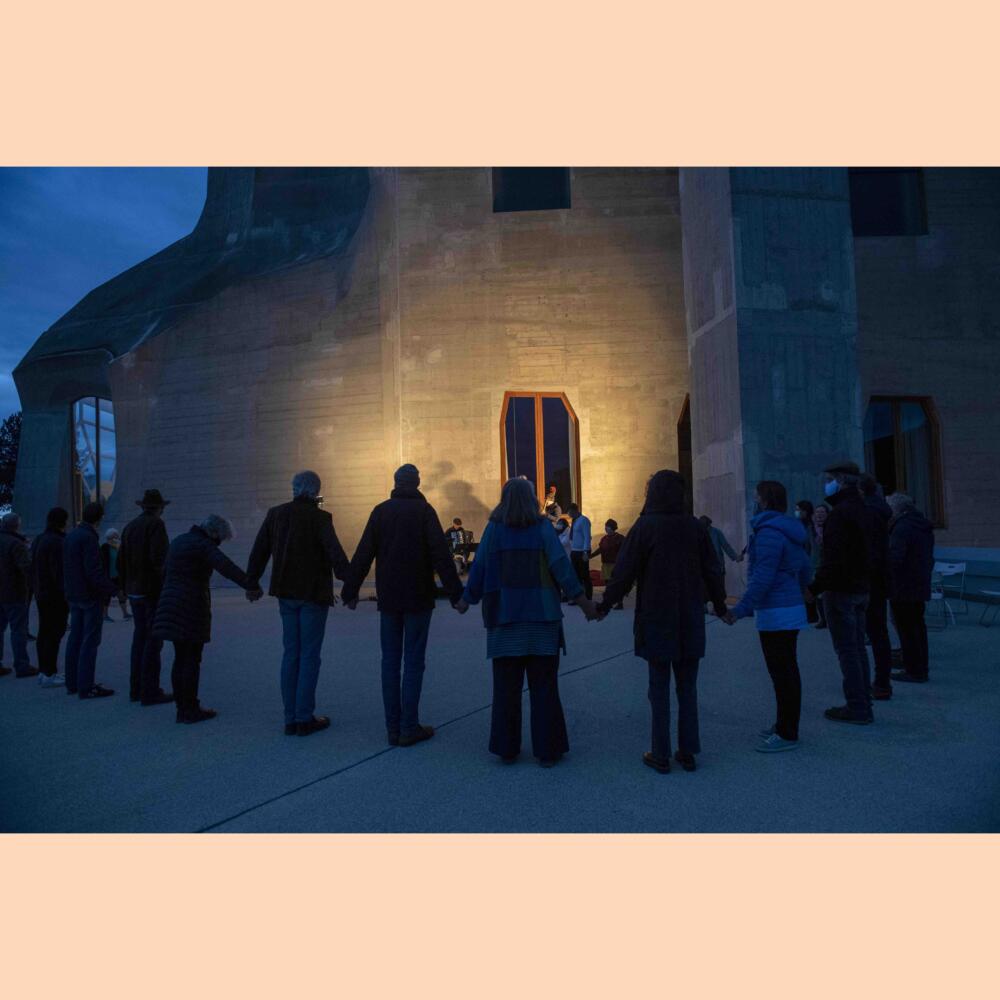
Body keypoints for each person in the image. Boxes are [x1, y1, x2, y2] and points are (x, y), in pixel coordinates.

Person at [455, 477, 597, 767]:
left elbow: (479, 568)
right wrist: (583, 602)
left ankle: (506, 748)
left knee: (506, 690)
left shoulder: (494, 529)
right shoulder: (543, 528)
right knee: (545, 688)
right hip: (542, 619)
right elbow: (560, 566)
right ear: (532, 499)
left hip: (504, 620)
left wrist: (465, 600)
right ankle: (548, 750)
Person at [597, 470, 728, 774]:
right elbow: (713, 571)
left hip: (656, 616)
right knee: (688, 688)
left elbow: (624, 572)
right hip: (690, 617)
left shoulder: (645, 527)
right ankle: (688, 750)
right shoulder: (695, 527)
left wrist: (604, 604)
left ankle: (660, 752)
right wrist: (720, 606)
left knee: (658, 689)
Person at [342, 464, 464, 746]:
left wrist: (350, 590)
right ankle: (409, 726)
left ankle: (392, 728)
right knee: (413, 662)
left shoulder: (381, 511)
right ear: (417, 483)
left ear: (396, 483)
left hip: (389, 598)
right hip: (418, 597)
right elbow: (441, 557)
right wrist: (456, 594)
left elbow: (363, 554)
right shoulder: (425, 512)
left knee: (390, 662)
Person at [246, 471, 351, 736]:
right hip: (313, 594)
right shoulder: (320, 518)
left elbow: (259, 551)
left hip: (285, 593)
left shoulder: (276, 514)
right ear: (316, 491)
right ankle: (305, 717)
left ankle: (290, 718)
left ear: (293, 488)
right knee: (309, 656)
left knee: (290, 653)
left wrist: (252, 582)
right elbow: (335, 553)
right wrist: (350, 584)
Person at [153, 515, 262, 723]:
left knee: (180, 657)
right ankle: (190, 709)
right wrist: (251, 585)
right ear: (213, 533)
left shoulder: (179, 541)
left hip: (170, 603)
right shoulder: (203, 545)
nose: (219, 543)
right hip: (190, 607)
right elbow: (226, 567)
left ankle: (181, 706)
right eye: (220, 538)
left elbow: (164, 572)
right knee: (192, 659)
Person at [730, 481, 812, 752]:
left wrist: (740, 609)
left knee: (783, 673)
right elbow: (804, 568)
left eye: (756, 497)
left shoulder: (768, 533)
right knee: (786, 671)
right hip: (789, 607)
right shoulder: (790, 531)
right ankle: (783, 724)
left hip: (777, 611)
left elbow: (761, 578)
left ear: (764, 501)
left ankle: (788, 733)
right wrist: (801, 593)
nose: (753, 501)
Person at [806, 460, 873, 725]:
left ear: (842, 481)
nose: (827, 484)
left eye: (831, 478)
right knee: (857, 648)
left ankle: (858, 707)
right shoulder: (863, 509)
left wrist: (814, 588)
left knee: (847, 650)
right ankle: (863, 700)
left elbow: (833, 559)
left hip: (841, 589)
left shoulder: (841, 514)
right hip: (860, 587)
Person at [119, 489, 172, 705]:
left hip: (134, 590)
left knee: (139, 639)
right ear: (160, 508)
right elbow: (159, 560)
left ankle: (136, 688)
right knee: (153, 641)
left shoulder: (130, 526)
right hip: (151, 590)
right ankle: (150, 691)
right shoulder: (156, 525)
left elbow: (121, 560)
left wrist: (124, 586)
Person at [63, 502, 118, 697]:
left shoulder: (72, 536)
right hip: (89, 596)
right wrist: (112, 589)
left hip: (74, 595)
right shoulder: (88, 538)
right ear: (99, 518)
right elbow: (93, 571)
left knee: (75, 638)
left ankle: (73, 682)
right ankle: (86, 686)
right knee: (90, 641)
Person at [886, 492, 935, 684]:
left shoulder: (902, 528)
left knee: (907, 629)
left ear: (898, 509)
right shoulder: (921, 526)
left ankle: (914, 670)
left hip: (903, 586)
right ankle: (920, 666)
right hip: (919, 583)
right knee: (917, 628)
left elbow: (896, 558)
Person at [859, 474, 893, 699]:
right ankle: (882, 681)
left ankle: (878, 684)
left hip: (868, 578)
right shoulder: (882, 510)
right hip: (879, 577)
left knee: (873, 631)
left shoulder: (868, 512)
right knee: (879, 631)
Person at [30, 507, 70, 687]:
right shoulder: (56, 542)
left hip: (42, 593)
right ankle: (49, 672)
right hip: (54, 595)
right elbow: (58, 572)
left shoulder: (40, 539)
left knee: (45, 632)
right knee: (54, 633)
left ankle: (44, 671)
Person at [0, 511, 36, 679]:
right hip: (14, 592)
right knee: (18, 630)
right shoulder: (16, 544)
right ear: (17, 526)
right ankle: (22, 665)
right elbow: (26, 568)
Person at [699, 515, 743, 596]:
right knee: (706, 591)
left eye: (707, 527)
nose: (706, 529)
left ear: (709, 525)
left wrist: (736, 557)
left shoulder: (716, 532)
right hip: (705, 567)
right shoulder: (699, 534)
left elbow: (726, 546)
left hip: (718, 566)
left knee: (719, 591)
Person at [591, 519, 626, 609]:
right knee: (608, 584)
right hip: (606, 564)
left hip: (616, 564)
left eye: (608, 526)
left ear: (613, 528)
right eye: (606, 526)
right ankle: (608, 601)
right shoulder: (604, 538)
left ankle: (619, 602)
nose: (606, 528)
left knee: (616, 584)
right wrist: (591, 556)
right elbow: (600, 549)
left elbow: (625, 551)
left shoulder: (620, 538)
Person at [794, 500, 819, 623]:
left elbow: (811, 546)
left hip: (807, 561)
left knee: (808, 588)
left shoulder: (810, 525)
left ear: (806, 511)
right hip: (800, 560)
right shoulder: (799, 524)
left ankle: (812, 614)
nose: (797, 512)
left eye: (799, 510)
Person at [99, 530, 131, 623]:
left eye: (117, 536)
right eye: (115, 536)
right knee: (106, 596)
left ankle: (125, 613)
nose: (117, 538)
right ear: (110, 537)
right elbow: (103, 562)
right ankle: (105, 615)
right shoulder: (105, 547)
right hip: (108, 575)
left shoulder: (118, 547)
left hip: (118, 575)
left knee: (122, 594)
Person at [565, 502, 593, 599]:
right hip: (574, 551)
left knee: (584, 574)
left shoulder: (584, 520)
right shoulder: (575, 521)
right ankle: (579, 596)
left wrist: (586, 551)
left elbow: (587, 537)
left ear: (574, 510)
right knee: (576, 575)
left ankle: (588, 596)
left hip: (582, 551)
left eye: (569, 512)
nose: (568, 514)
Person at [810, 503, 831, 628]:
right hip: (815, 563)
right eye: (817, 513)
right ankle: (822, 618)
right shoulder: (811, 530)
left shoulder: (832, 528)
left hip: (828, 564)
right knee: (818, 593)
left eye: (822, 513)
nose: (820, 515)